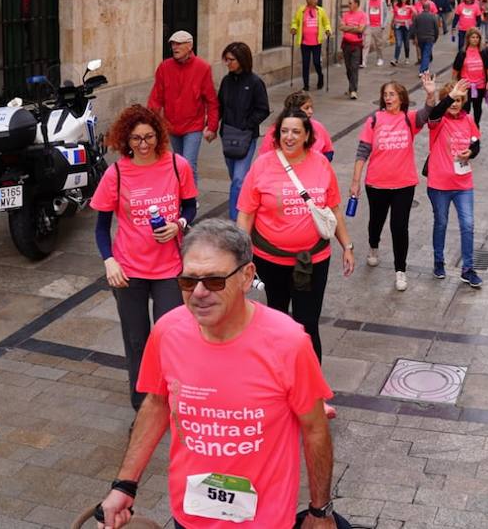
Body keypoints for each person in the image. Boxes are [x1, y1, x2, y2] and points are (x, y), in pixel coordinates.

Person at [95, 220, 340, 529]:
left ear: (247, 276)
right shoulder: (167, 331)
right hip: (191, 516)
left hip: (264, 521)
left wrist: (320, 511)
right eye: (188, 280)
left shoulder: (289, 343)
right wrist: (124, 485)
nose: (198, 293)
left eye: (213, 280)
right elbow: (156, 404)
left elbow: (315, 429)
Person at [90, 104, 198, 409]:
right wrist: (109, 260)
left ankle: (171, 400)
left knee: (169, 339)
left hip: (170, 269)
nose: (143, 144)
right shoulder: (116, 174)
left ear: (159, 135)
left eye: (149, 137)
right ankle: (142, 408)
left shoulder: (177, 165)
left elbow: (190, 206)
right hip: (129, 271)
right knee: (136, 342)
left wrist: (178, 224)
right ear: (126, 139)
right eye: (136, 138)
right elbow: (101, 227)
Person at [237, 110, 356, 359]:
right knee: (277, 319)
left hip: (314, 261)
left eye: (295, 132)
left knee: (308, 323)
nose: (289, 137)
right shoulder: (262, 165)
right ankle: (279, 373)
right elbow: (246, 214)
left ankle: (310, 380)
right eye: (284, 131)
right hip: (270, 261)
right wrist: (240, 258)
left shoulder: (321, 164)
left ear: (307, 135)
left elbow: (333, 209)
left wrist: (347, 246)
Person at [350, 76, 441, 291]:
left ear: (401, 98)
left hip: (404, 184)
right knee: (376, 221)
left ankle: (401, 270)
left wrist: (430, 93)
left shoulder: (409, 119)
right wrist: (355, 181)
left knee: (399, 227)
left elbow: (428, 112)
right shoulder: (374, 120)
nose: (388, 98)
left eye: (392, 94)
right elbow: (362, 152)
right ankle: (373, 245)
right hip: (376, 184)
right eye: (385, 95)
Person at [425, 79, 483, 287]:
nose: (455, 104)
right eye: (452, 100)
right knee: (441, 223)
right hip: (439, 184)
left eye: (459, 100)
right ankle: (438, 261)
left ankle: (468, 269)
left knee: (468, 224)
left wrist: (471, 152)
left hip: (463, 184)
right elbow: (434, 113)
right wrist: (449, 96)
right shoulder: (438, 121)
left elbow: (476, 143)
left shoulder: (468, 120)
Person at [147, 30, 219, 177]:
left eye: (179, 44)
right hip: (171, 125)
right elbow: (156, 98)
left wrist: (212, 126)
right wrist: (150, 123)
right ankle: (181, 191)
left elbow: (211, 101)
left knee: (188, 164)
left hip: (193, 126)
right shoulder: (164, 67)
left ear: (190, 46)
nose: (175, 47)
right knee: (178, 165)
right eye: (173, 44)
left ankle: (191, 193)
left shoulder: (203, 68)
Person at [217, 42, 271, 221]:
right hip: (228, 135)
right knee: (235, 177)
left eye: (231, 60)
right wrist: (213, 126)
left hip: (246, 137)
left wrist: (247, 125)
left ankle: (236, 219)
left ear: (241, 60)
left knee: (239, 179)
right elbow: (219, 106)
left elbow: (263, 109)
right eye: (226, 59)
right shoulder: (226, 82)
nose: (228, 63)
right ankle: (247, 204)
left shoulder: (255, 82)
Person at [450, 28, 488, 126]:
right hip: (465, 86)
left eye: (477, 37)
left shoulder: (483, 52)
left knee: (477, 107)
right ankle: (465, 125)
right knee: (465, 108)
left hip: (479, 86)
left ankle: (476, 126)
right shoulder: (462, 53)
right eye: (473, 37)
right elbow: (455, 70)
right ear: (468, 39)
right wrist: (453, 84)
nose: (475, 39)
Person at [290, 0, 331, 91]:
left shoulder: (320, 11)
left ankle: (320, 77)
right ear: (308, 0)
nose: (316, 1)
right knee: (305, 63)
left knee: (316, 62)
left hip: (316, 42)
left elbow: (326, 23)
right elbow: (295, 21)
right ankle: (306, 85)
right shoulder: (301, 10)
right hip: (305, 43)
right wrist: (294, 28)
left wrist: (328, 30)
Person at [284, 89, 333, 162]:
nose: (311, 111)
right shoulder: (276, 129)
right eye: (306, 108)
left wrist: (320, 163)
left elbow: (328, 151)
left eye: (311, 107)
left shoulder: (318, 127)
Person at [338, 0, 367, 100]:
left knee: (354, 67)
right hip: (346, 44)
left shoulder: (362, 15)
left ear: (356, 4)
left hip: (356, 45)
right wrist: (354, 28)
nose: (348, 5)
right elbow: (341, 27)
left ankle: (353, 90)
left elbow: (360, 29)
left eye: (350, 3)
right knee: (348, 68)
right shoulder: (346, 15)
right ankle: (351, 86)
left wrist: (348, 28)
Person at [362, 0, 388, 68]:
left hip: (378, 26)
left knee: (378, 44)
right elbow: (364, 13)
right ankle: (364, 61)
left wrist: (383, 25)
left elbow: (386, 14)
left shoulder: (382, 2)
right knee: (366, 44)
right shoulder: (367, 2)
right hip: (368, 26)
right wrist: (364, 24)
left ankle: (380, 58)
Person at [412, 0, 440, 73]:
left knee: (423, 53)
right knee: (426, 54)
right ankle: (423, 70)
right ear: (429, 8)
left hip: (420, 38)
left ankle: (425, 68)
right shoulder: (433, 17)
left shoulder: (418, 17)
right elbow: (436, 29)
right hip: (429, 38)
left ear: (423, 8)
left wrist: (414, 38)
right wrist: (435, 38)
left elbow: (414, 28)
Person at [391, 0, 414, 65]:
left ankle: (407, 57)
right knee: (398, 43)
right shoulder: (396, 6)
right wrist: (392, 23)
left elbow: (415, 14)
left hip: (407, 27)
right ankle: (395, 59)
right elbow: (394, 15)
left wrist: (411, 8)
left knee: (406, 43)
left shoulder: (410, 6)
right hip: (398, 27)